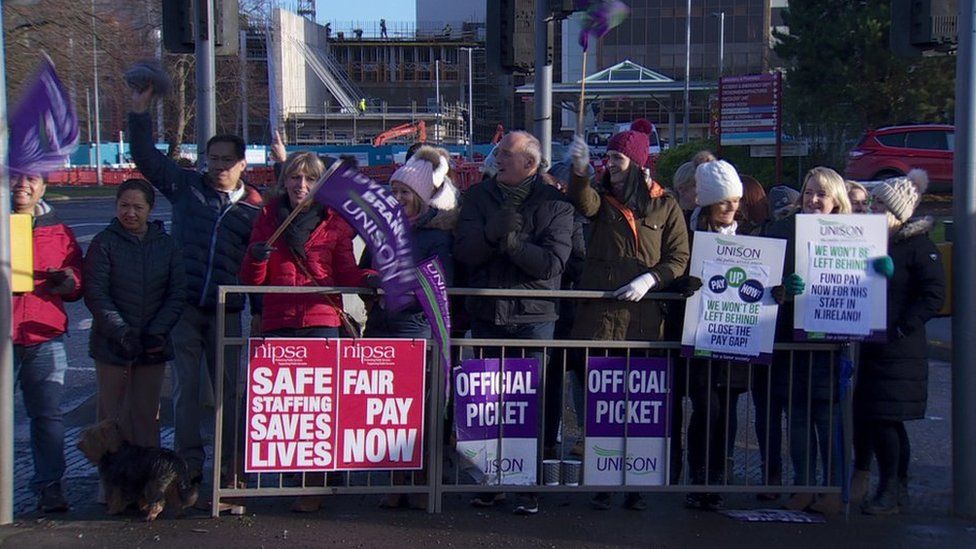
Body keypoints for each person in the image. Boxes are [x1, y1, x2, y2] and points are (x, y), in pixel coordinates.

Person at [128, 84, 264, 489]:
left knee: (228, 393)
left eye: (227, 160)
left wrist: (255, 310)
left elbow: (264, 260)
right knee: (186, 391)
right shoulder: (187, 187)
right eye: (213, 158)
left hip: (227, 311)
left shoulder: (254, 208)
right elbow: (147, 160)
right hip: (185, 306)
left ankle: (229, 465)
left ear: (242, 164)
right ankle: (189, 465)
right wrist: (139, 114)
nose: (218, 166)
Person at [240, 152, 376, 512]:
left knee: (319, 407)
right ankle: (294, 475)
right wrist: (256, 258)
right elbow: (252, 281)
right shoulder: (268, 218)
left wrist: (369, 278)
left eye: (310, 179)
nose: (301, 186)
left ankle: (315, 482)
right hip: (279, 320)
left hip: (320, 321)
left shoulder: (334, 222)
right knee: (285, 407)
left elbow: (346, 272)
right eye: (295, 178)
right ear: (284, 181)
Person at [567, 129, 689, 511]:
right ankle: (603, 479)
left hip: (644, 321)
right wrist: (580, 168)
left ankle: (637, 482)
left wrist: (651, 278)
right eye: (607, 159)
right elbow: (581, 200)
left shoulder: (665, 204)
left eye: (616, 159)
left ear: (637, 163)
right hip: (600, 321)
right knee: (603, 403)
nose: (610, 165)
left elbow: (678, 257)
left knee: (639, 405)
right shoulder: (603, 200)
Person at [454, 131, 575, 515]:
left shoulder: (555, 203)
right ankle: (492, 480)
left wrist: (512, 245)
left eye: (507, 153)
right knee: (489, 403)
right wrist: (491, 235)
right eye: (499, 152)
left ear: (530, 163)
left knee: (532, 404)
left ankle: (529, 484)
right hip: (489, 314)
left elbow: (552, 264)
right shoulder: (477, 197)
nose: (498, 158)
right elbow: (465, 253)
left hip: (533, 316)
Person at [366, 146, 458, 509]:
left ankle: (421, 478)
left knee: (416, 408)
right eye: (395, 191)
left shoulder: (436, 234)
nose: (399, 198)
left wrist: (395, 279)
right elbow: (364, 266)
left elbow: (439, 280)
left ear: (421, 197)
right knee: (385, 408)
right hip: (382, 324)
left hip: (415, 327)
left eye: (406, 192)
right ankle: (396, 478)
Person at [763, 167, 852, 514]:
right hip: (791, 340)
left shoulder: (852, 234)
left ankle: (832, 489)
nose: (814, 200)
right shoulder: (784, 230)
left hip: (831, 344)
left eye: (822, 194)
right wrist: (783, 287)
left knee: (828, 420)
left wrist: (877, 269)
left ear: (836, 200)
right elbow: (766, 283)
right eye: (809, 192)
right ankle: (803, 484)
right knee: (797, 420)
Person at [857, 170, 944, 515]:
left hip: (897, 349)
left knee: (886, 420)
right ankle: (895, 487)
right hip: (877, 346)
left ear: (896, 210)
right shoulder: (881, 243)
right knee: (881, 420)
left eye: (879, 202)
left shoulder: (918, 247)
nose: (872, 207)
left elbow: (933, 295)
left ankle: (891, 489)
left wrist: (902, 328)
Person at [84, 179, 185, 448]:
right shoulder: (103, 243)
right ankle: (110, 485)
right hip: (112, 344)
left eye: (138, 207)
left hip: (153, 345)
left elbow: (177, 293)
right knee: (111, 419)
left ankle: (147, 483)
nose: (130, 213)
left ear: (150, 209)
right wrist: (122, 332)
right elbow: (95, 293)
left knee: (146, 416)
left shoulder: (166, 245)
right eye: (124, 206)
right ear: (116, 206)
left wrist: (157, 331)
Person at [10, 171, 84, 513]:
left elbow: (77, 282)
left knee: (48, 416)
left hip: (44, 334)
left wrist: (69, 282)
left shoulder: (59, 230)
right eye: (14, 177)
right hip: (4, 334)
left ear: (43, 185)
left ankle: (50, 486)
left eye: (31, 178)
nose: (22, 184)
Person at [681, 160, 750, 511]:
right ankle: (700, 474)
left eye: (735, 201)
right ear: (708, 202)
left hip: (735, 341)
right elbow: (674, 269)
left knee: (729, 412)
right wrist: (683, 285)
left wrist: (776, 291)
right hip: (700, 340)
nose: (731, 207)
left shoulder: (749, 238)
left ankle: (719, 474)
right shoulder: (688, 236)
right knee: (707, 408)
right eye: (724, 201)